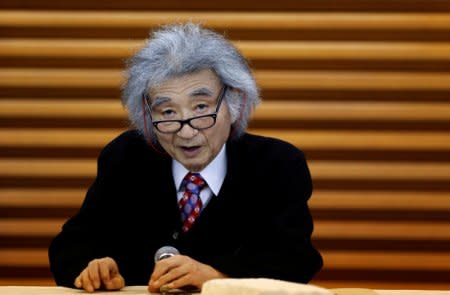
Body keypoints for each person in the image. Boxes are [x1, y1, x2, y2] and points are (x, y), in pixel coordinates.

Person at [48, 23, 323, 293]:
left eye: (201, 107)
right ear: (147, 116)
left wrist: (216, 276)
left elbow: (295, 259)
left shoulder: (277, 164)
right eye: (167, 113)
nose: (187, 130)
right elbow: (70, 246)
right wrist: (94, 268)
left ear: (234, 104)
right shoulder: (125, 158)